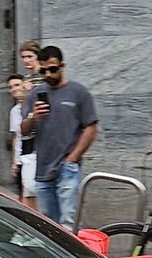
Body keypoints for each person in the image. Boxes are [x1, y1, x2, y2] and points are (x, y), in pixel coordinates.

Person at [24, 45, 98, 226]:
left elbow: (91, 126)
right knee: (48, 224)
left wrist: (73, 158)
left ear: (62, 66)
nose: (48, 74)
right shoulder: (35, 94)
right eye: (43, 70)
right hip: (43, 168)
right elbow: (24, 130)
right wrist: (34, 116)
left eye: (52, 69)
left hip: (67, 167)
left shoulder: (78, 92)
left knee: (69, 221)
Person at [7, 74, 36, 204]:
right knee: (23, 193)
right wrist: (14, 161)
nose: (14, 89)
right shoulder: (14, 111)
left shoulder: (35, 106)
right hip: (21, 158)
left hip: (33, 156)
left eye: (17, 85)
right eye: (11, 87)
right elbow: (16, 137)